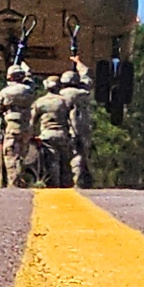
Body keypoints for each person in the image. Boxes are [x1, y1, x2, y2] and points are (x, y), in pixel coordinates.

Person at [0, 63, 36, 188]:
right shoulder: (29, 90)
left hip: (12, 127)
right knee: (21, 155)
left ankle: (14, 183)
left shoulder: (5, 92)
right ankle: (20, 179)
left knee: (10, 155)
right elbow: (31, 81)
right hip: (27, 127)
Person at [29, 75, 73, 188]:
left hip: (47, 136)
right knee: (66, 165)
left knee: (51, 165)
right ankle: (67, 189)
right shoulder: (65, 101)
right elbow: (73, 120)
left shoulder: (40, 102)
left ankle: (53, 187)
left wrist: (31, 136)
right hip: (63, 135)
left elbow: (31, 121)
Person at [60, 56, 94, 188]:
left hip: (66, 128)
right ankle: (79, 181)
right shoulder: (83, 93)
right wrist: (78, 62)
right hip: (82, 128)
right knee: (79, 154)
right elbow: (87, 77)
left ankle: (66, 181)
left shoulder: (61, 95)